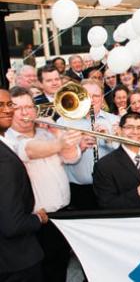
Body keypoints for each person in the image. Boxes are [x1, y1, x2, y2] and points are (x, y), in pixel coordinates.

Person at [6, 87, 81, 282]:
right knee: (42, 271)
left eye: (29, 107)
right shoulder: (9, 140)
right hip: (38, 219)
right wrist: (59, 142)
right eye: (18, 108)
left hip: (62, 213)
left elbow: (72, 158)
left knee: (60, 267)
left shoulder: (47, 133)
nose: (25, 113)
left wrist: (56, 130)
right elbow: (30, 151)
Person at [0, 88, 46, 281]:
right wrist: (39, 219)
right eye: (0, 106)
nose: (8, 110)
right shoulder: (5, 161)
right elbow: (12, 224)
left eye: (9, 104)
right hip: (17, 262)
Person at [58, 79, 120, 210]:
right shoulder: (64, 122)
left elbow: (124, 155)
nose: (91, 100)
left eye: (96, 96)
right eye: (86, 96)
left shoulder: (115, 121)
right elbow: (58, 157)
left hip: (110, 189)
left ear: (102, 98)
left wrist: (109, 138)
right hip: (78, 191)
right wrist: (78, 147)